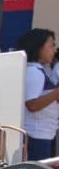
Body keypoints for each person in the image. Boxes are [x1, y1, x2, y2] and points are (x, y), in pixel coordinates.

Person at [18, 28, 59, 160]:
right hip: (35, 135)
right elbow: (32, 104)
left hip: (42, 134)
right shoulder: (34, 72)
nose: (54, 50)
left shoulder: (39, 70)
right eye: (51, 45)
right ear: (39, 47)